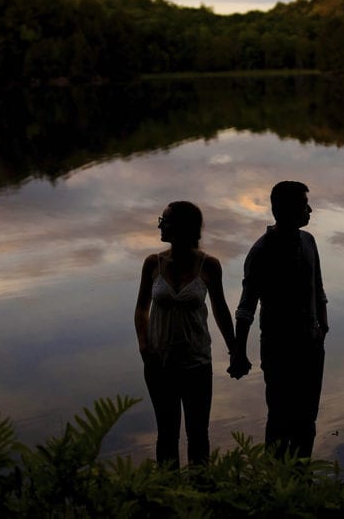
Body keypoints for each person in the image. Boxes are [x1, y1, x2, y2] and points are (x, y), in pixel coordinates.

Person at [230, 181, 328, 458]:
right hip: (278, 349)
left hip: (311, 345)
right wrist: (239, 351)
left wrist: (324, 323)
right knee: (280, 418)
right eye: (304, 205)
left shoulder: (309, 241)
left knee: (307, 418)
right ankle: (275, 484)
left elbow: (318, 287)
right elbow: (246, 307)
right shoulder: (261, 251)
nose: (310, 210)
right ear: (284, 209)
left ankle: (300, 480)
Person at [135, 201, 236, 468]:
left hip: (197, 363)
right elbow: (141, 309)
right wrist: (145, 349)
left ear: (183, 227)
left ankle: (202, 496)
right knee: (166, 435)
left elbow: (221, 310)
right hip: (159, 363)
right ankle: (168, 500)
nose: (160, 225)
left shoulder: (209, 266)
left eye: (165, 220)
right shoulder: (152, 263)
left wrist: (235, 350)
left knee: (198, 437)